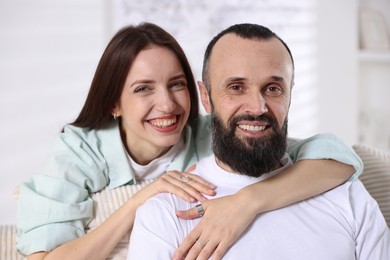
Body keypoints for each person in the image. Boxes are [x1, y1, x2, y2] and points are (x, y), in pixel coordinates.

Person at [16, 23, 363, 260]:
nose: (167, 104)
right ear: (114, 103)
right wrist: (141, 199)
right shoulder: (79, 151)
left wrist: (249, 202)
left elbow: (336, 158)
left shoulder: (213, 131)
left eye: (176, 84)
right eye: (143, 89)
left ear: (199, 92)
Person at [127, 23, 390, 260]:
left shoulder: (346, 194)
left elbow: (340, 155)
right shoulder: (166, 213)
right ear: (205, 97)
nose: (257, 107)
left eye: (273, 88)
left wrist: (248, 201)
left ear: (290, 94)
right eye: (236, 87)